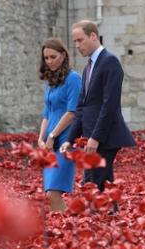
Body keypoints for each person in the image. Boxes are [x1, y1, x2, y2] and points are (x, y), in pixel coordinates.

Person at [59, 20, 136, 207]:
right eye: (75, 41)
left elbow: (110, 105)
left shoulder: (110, 62)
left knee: (92, 185)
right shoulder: (87, 69)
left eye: (80, 40)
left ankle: (95, 228)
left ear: (93, 36)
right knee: (104, 186)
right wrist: (70, 139)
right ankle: (113, 226)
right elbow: (81, 108)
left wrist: (95, 138)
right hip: (94, 136)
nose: (77, 46)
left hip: (105, 137)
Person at [37, 37, 82, 212]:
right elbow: (47, 113)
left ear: (63, 55)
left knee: (53, 194)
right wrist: (41, 139)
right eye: (46, 58)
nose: (49, 62)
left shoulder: (73, 79)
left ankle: (70, 231)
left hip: (66, 143)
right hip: (50, 144)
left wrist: (52, 136)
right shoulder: (50, 81)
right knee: (49, 196)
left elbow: (72, 112)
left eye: (53, 57)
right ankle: (67, 231)